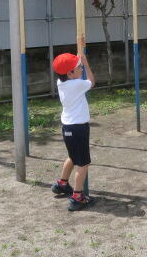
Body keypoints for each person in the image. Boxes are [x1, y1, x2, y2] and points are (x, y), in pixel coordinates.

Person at [50, 34, 96, 211]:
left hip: (67, 128)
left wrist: (79, 49)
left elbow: (72, 67)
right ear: (70, 73)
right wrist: (86, 62)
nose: (81, 69)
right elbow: (92, 81)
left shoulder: (61, 82)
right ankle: (77, 197)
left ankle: (62, 183)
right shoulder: (77, 85)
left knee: (72, 156)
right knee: (83, 164)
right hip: (79, 129)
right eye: (78, 68)